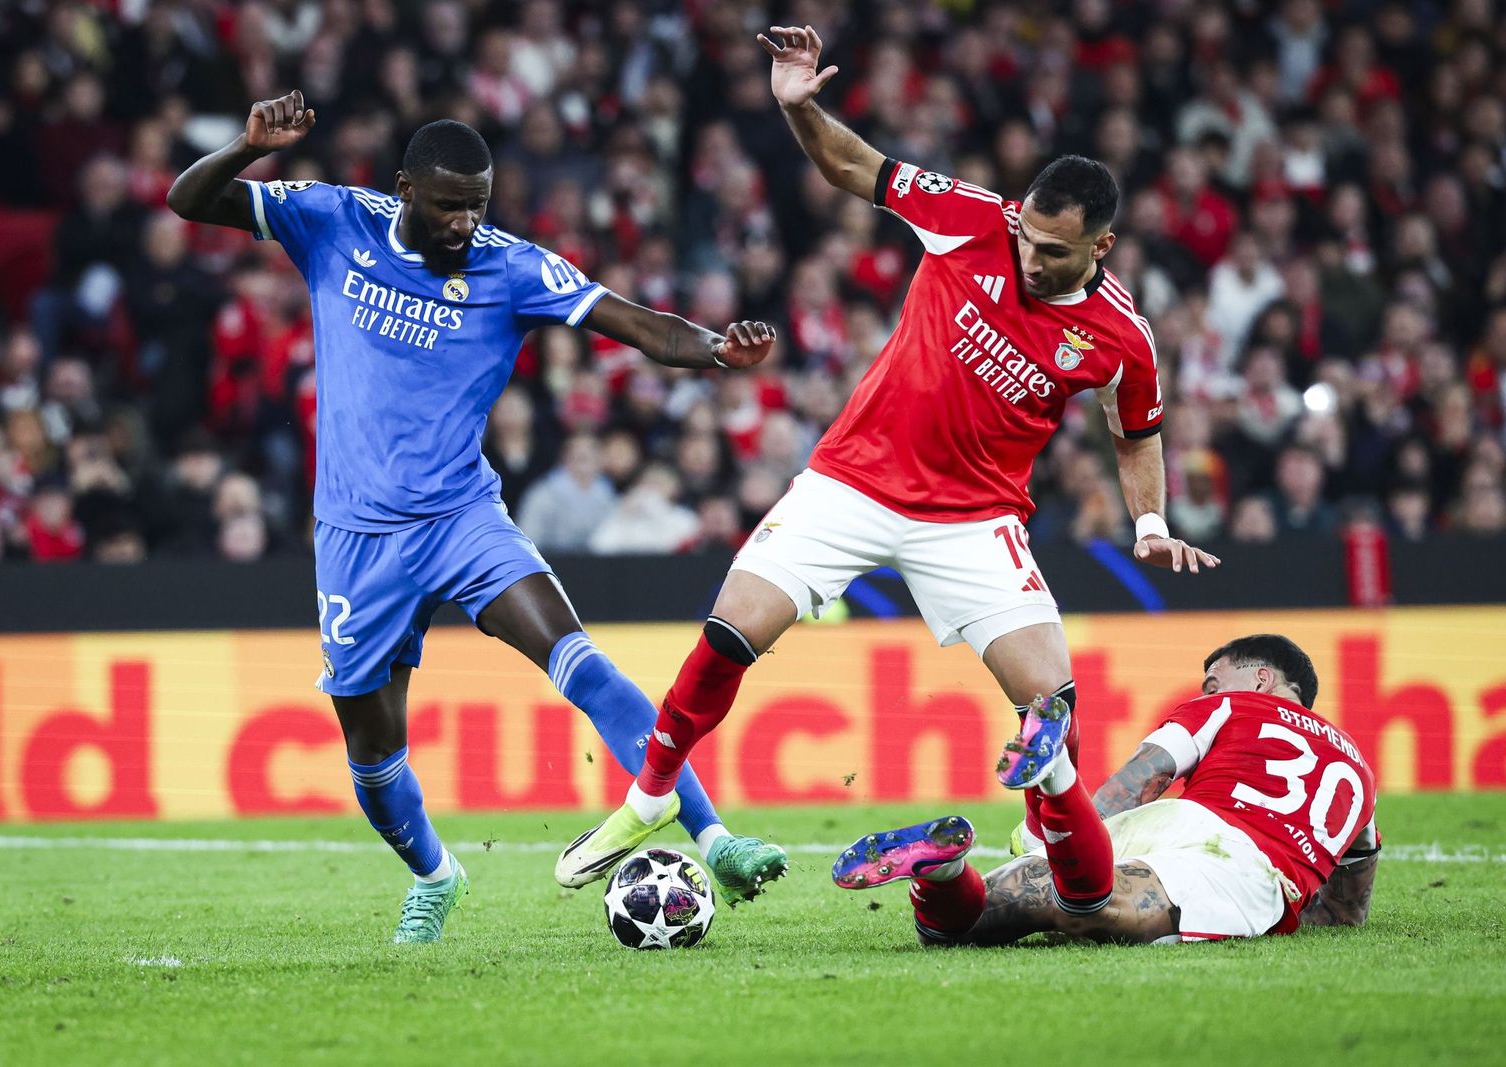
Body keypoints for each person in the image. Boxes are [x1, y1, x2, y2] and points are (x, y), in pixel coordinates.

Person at [557, 25, 1221, 888]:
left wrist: (1151, 521)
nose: (1027, 255)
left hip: (975, 520)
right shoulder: (971, 219)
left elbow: (1136, 434)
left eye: (1052, 252)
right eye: (1025, 234)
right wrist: (801, 106)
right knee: (727, 632)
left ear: (1101, 247)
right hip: (852, 481)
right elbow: (851, 165)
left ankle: (1045, 853)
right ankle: (650, 795)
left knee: (1050, 710)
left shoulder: (1122, 336)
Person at [167, 90, 787, 944]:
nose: (465, 221)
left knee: (580, 660)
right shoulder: (335, 222)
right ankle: (435, 872)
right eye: (449, 203)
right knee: (372, 753)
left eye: (478, 204)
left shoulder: (511, 267)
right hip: (355, 540)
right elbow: (187, 200)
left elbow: (635, 323)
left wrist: (716, 348)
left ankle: (714, 837)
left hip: (462, 518)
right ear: (406, 190)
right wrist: (244, 146)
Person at [833, 634, 1379, 946]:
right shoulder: (1361, 774)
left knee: (963, 927)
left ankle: (946, 873)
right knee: (1093, 908)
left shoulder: (1226, 708)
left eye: (1214, 679)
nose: (1206, 688)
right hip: (1237, 863)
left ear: (1262, 678)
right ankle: (1056, 781)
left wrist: (1063, 838)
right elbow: (1345, 911)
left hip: (1176, 825)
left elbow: (1144, 777)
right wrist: (1281, 907)